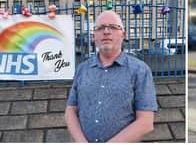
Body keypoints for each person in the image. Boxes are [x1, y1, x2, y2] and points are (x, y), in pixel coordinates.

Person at [65, 10, 157, 142]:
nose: (106, 31)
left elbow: (146, 122)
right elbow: (70, 111)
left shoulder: (140, 70)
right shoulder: (82, 69)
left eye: (113, 27)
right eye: (100, 28)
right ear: (94, 35)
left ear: (123, 34)